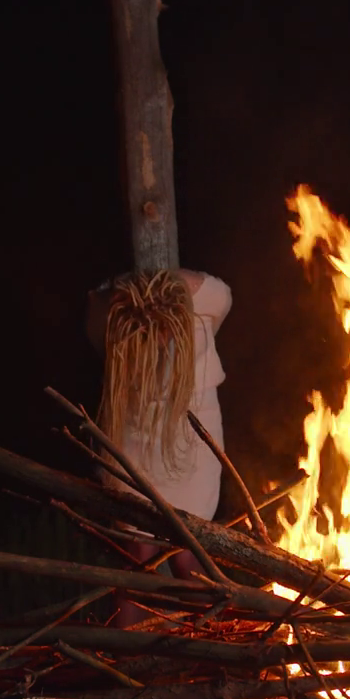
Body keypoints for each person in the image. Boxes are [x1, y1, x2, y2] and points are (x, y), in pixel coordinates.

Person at [84, 267, 232, 626]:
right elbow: (96, 336)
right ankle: (129, 656)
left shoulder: (202, 296)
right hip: (132, 435)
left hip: (190, 438)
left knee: (187, 549)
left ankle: (214, 640)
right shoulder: (112, 307)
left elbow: (221, 307)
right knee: (138, 553)